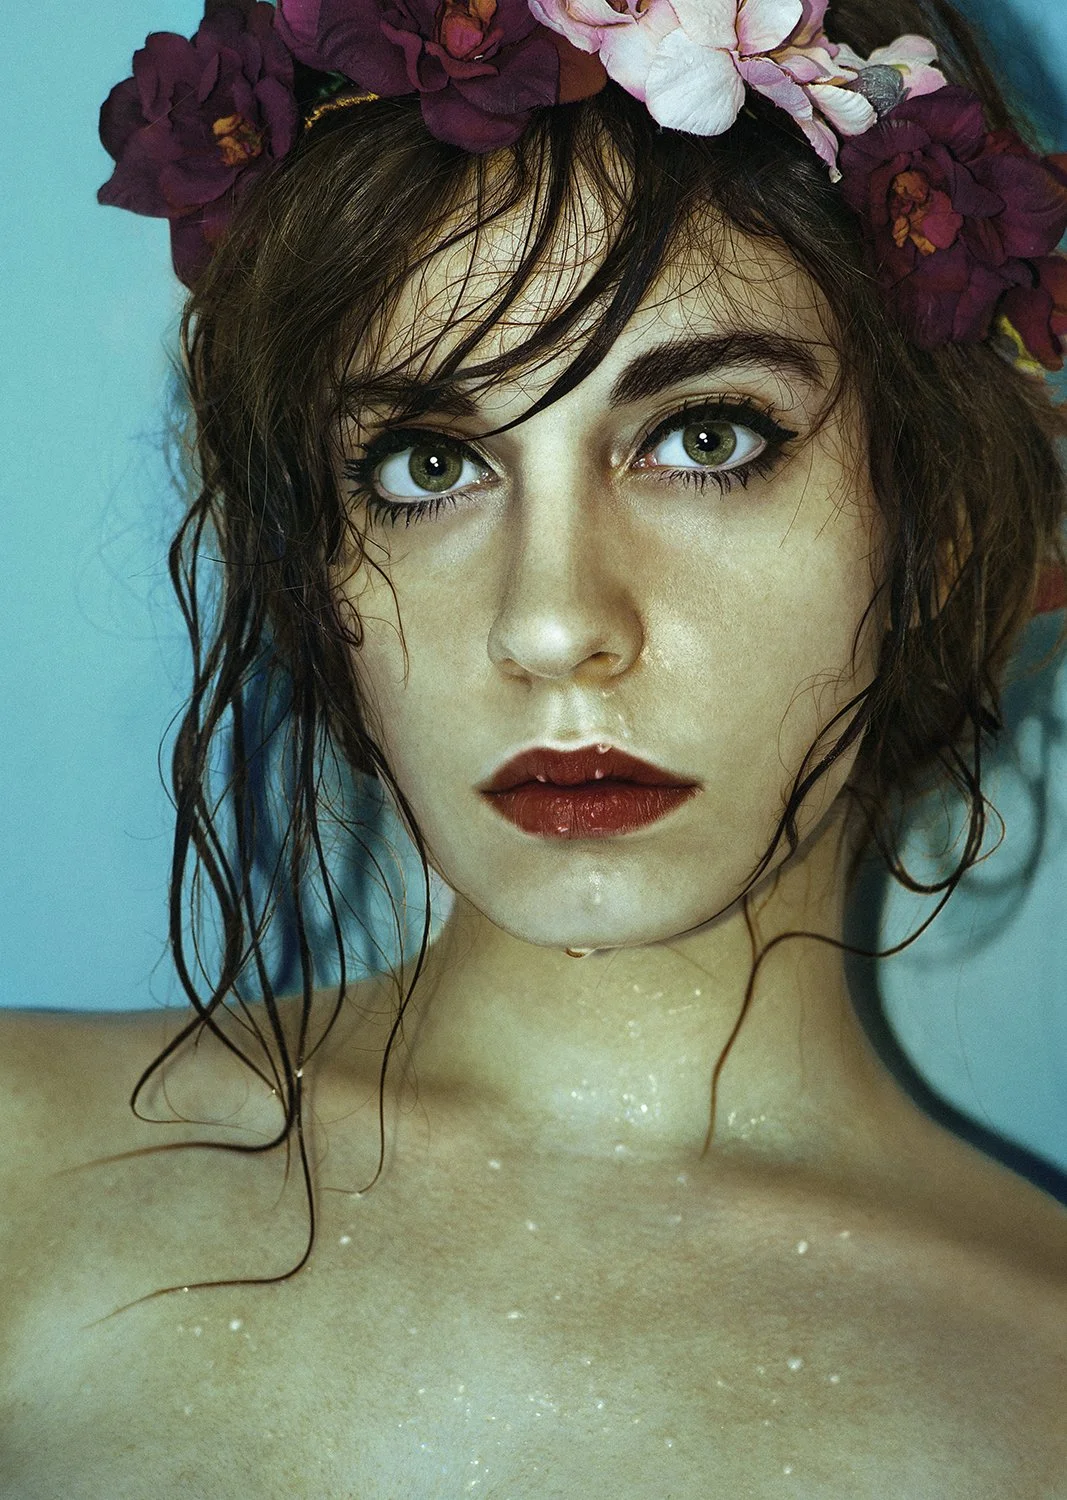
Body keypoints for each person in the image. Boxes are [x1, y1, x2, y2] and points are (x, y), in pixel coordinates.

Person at [2, 0, 1066, 1492]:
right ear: (313, 567)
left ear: (939, 531)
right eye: (427, 465)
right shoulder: (19, 1175)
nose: (553, 625)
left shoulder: (1039, 1384)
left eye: (706, 437)